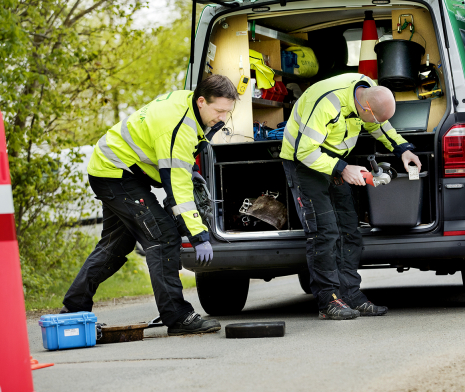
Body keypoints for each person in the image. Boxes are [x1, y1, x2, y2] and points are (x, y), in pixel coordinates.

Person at [62, 75, 239, 335]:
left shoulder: (188, 104)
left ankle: (74, 311)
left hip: (114, 169)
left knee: (116, 244)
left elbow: (174, 167)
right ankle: (178, 317)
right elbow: (177, 188)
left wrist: (188, 169)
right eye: (219, 110)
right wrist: (199, 234)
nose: (223, 118)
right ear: (201, 101)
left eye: (228, 111)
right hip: (115, 173)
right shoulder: (179, 127)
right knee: (164, 237)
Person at [281, 73, 422, 320]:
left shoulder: (368, 91)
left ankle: (351, 295)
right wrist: (342, 169)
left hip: (334, 160)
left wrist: (402, 149)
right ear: (365, 108)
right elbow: (305, 151)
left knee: (349, 231)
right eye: (373, 117)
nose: (375, 124)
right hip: (305, 163)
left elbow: (379, 124)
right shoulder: (328, 102)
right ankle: (329, 301)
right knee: (324, 232)